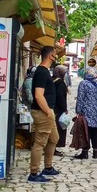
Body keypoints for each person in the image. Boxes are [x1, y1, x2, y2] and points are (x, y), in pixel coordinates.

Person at [28, 46, 60, 183]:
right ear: (50, 56)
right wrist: (48, 112)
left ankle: (48, 167)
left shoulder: (45, 71)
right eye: (55, 55)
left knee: (54, 138)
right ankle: (34, 173)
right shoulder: (41, 72)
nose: (56, 58)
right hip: (43, 112)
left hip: (48, 111)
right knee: (40, 142)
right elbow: (38, 95)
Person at [75, 67, 97, 159]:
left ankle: (85, 152)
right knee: (96, 131)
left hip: (86, 111)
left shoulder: (84, 84)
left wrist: (78, 111)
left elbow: (80, 98)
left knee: (85, 131)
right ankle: (95, 152)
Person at [53, 65, 69, 157]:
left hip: (52, 107)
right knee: (58, 129)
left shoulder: (53, 80)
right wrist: (64, 108)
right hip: (58, 109)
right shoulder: (60, 83)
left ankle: (53, 147)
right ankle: (54, 147)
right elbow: (60, 96)